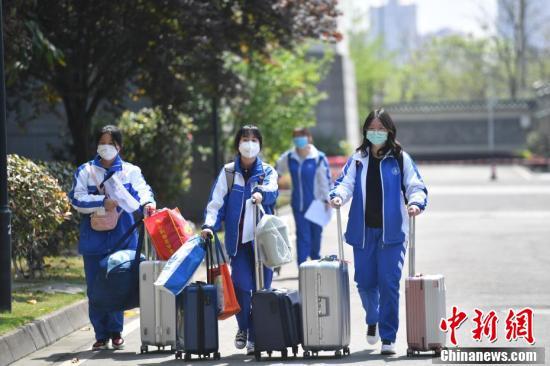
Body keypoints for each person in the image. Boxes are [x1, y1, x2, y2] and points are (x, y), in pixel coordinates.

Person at [329, 109, 427, 355]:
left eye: (381, 128)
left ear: (390, 131)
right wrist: (338, 197)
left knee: (389, 283)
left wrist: (415, 202)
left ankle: (388, 336)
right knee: (364, 282)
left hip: (392, 233)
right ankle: (372, 317)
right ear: (365, 131)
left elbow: (415, 185)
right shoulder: (359, 158)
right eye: (372, 128)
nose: (376, 132)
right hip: (363, 232)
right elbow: (345, 183)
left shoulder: (400, 158)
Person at [69, 125, 156, 351]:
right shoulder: (85, 171)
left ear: (120, 146)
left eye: (111, 142)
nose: (107, 147)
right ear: (97, 145)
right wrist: (100, 202)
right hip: (94, 240)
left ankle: (116, 331)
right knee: (96, 287)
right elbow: (77, 200)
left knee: (118, 282)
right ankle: (100, 334)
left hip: (124, 237)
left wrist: (148, 204)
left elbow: (143, 191)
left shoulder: (130, 171)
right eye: (103, 142)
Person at [201, 125, 278, 355]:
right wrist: (208, 225)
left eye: (255, 139)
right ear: (238, 144)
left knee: (261, 290)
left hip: (264, 243)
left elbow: (273, 190)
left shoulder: (267, 171)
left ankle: (255, 336)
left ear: (260, 145)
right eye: (245, 139)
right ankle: (244, 328)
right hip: (239, 244)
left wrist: (261, 193)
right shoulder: (228, 173)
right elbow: (215, 204)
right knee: (241, 286)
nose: (250, 143)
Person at [276, 127, 331, 265]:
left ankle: (316, 265)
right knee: (303, 236)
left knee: (316, 237)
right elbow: (277, 172)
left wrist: (327, 200)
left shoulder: (318, 157)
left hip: (316, 204)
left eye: (302, 136)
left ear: (309, 138)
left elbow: (325, 180)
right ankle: (302, 267)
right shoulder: (289, 157)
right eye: (296, 137)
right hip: (298, 204)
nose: (299, 139)